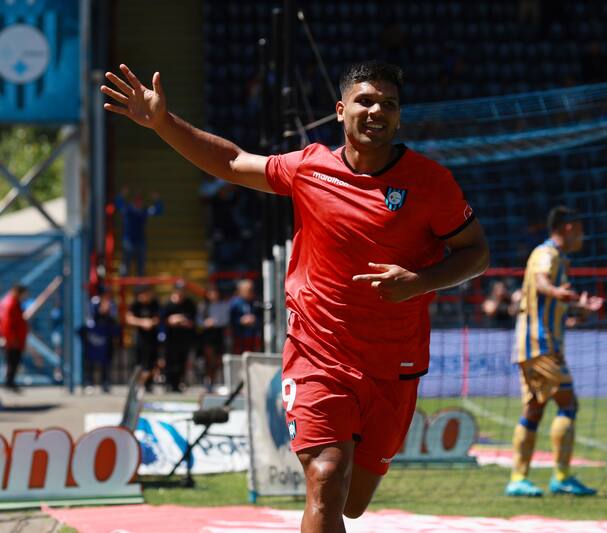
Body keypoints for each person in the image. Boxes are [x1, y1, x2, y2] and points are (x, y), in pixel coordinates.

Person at [101, 59, 489, 531]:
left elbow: (476, 253)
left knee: (352, 502)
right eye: (366, 100)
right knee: (326, 479)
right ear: (341, 109)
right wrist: (163, 122)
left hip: (394, 366)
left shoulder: (431, 183)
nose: (377, 110)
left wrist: (421, 281)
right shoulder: (309, 168)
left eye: (389, 104)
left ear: (399, 117)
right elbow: (231, 161)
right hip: (317, 356)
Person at [506, 206, 603, 498]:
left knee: (534, 410)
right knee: (568, 403)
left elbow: (552, 304)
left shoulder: (558, 258)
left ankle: (518, 478)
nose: (583, 236)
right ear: (569, 227)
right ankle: (561, 476)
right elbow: (540, 281)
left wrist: (578, 311)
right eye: (580, 229)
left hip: (535, 345)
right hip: (541, 345)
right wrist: (557, 291)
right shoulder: (546, 254)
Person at [115, 187, 164, 276]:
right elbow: (118, 203)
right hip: (128, 242)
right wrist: (122, 194)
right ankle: (123, 286)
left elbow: (159, 210)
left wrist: (157, 199)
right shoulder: (127, 210)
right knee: (125, 267)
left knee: (141, 268)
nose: (138, 203)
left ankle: (139, 286)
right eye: (136, 200)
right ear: (132, 201)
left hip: (140, 242)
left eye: (140, 200)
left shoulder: (144, 211)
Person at [79, 292, 120, 393]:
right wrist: (100, 310)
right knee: (89, 360)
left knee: (106, 361)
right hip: (94, 336)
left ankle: (105, 383)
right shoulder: (93, 303)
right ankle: (89, 382)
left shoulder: (112, 304)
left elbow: (114, 321)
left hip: (106, 337)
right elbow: (89, 320)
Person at [162, 280, 197, 392]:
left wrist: (183, 321)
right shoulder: (168, 304)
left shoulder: (190, 304)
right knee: (170, 361)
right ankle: (169, 383)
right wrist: (171, 320)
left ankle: (178, 384)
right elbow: (162, 320)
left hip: (184, 338)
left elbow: (193, 321)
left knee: (182, 362)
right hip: (171, 338)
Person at [126, 285, 160, 392]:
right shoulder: (135, 305)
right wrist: (142, 322)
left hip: (152, 338)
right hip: (139, 338)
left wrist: (151, 322)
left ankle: (147, 384)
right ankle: (137, 383)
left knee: (151, 363)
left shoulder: (154, 304)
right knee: (138, 362)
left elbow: (158, 318)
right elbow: (129, 318)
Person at [199, 285, 229, 391]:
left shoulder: (223, 305)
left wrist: (215, 322)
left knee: (217, 360)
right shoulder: (203, 306)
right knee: (209, 359)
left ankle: (215, 381)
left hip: (218, 334)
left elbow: (225, 320)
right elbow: (198, 321)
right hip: (208, 335)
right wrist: (205, 323)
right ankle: (208, 381)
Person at [0, 284, 28, 392]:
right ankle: (9, 383)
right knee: (12, 361)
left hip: (15, 338)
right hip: (13, 339)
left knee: (13, 362)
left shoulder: (12, 302)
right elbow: (7, 323)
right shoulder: (10, 303)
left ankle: (10, 382)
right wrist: (11, 339)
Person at [229, 279, 262, 354]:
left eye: (252, 290)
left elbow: (261, 317)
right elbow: (230, 320)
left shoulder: (256, 302)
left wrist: (255, 319)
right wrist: (241, 321)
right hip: (239, 336)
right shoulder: (235, 304)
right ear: (241, 291)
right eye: (249, 290)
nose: (251, 292)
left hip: (253, 336)